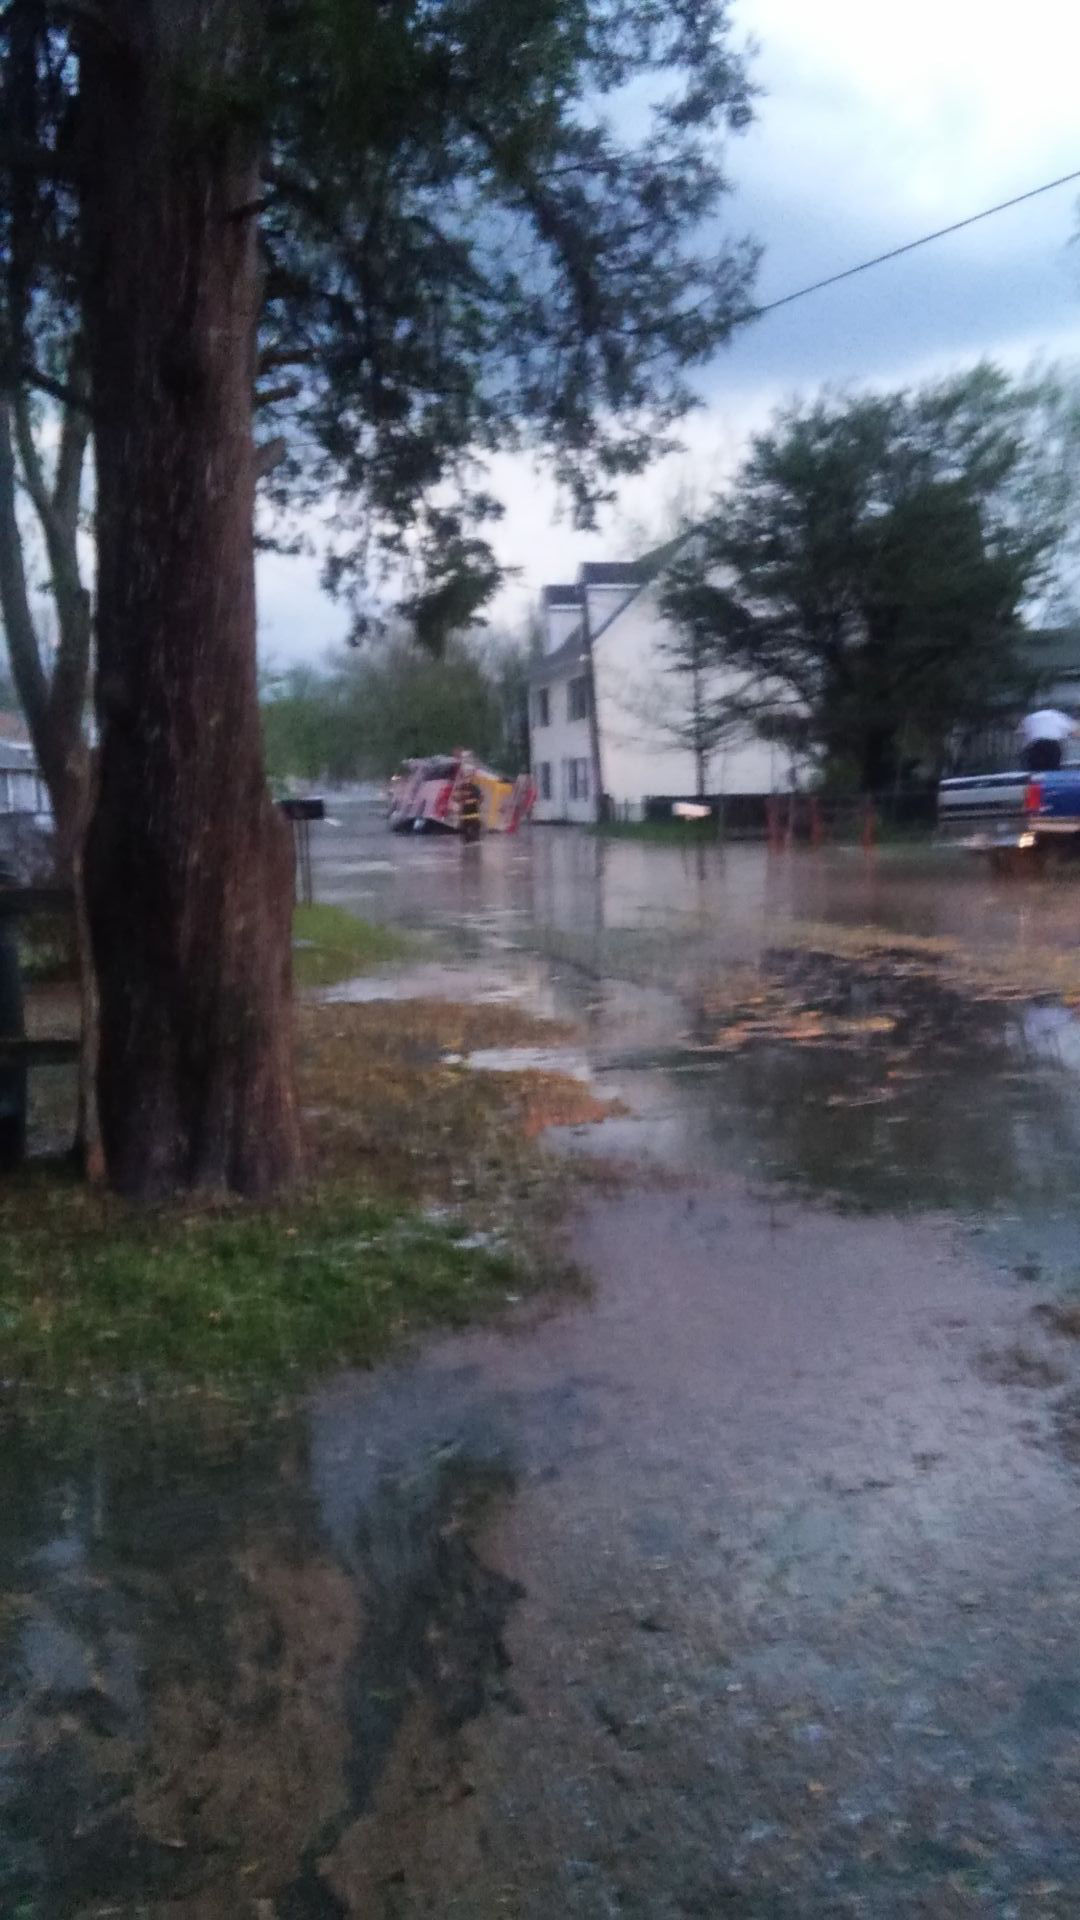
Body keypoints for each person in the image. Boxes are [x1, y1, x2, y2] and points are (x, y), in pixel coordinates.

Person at [1019, 707, 1075, 774]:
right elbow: (1074, 731)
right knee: (1052, 769)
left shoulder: (1030, 717)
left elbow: (1022, 733)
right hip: (1052, 746)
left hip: (1036, 746)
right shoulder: (1057, 715)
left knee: (1035, 771)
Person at [458, 770, 482, 844]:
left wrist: (474, 801)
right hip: (465, 813)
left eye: (468, 777)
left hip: (473, 812)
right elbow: (457, 797)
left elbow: (480, 798)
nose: (466, 779)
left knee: (475, 827)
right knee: (464, 829)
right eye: (465, 778)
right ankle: (467, 842)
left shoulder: (475, 788)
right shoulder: (461, 787)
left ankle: (476, 841)